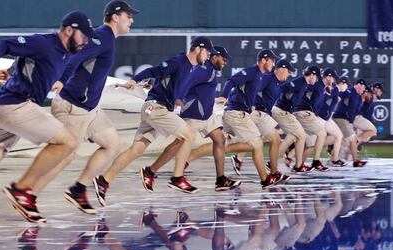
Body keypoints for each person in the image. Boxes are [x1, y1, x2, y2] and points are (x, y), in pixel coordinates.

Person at [31, 1, 139, 215]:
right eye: (129, 15)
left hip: (89, 108)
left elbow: (90, 70)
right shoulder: (102, 36)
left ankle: (79, 189)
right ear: (115, 17)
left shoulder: (106, 39)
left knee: (111, 143)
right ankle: (28, 193)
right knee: (64, 153)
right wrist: (61, 79)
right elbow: (74, 56)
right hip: (73, 105)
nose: (132, 20)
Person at [0, 11, 99, 223]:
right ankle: (22, 190)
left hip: (10, 105)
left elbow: (48, 65)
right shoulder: (43, 43)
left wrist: (12, 71)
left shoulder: (67, 52)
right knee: (68, 142)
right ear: (69, 30)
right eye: (84, 35)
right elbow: (7, 45)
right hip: (16, 105)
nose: (86, 41)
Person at [94, 36, 215, 196]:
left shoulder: (189, 67)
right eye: (207, 52)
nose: (208, 57)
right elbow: (154, 70)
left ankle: (104, 181)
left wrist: (174, 97)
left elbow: (165, 81)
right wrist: (135, 80)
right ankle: (177, 178)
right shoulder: (180, 61)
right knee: (188, 136)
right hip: (156, 108)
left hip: (156, 109)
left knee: (136, 150)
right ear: (198, 49)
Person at [138, 46, 241, 192]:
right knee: (179, 143)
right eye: (224, 59)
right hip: (195, 113)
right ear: (215, 56)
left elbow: (199, 88)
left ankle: (221, 180)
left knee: (220, 139)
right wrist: (179, 98)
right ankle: (151, 171)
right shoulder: (204, 69)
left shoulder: (209, 69)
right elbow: (186, 81)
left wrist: (213, 99)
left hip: (207, 113)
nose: (225, 62)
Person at [219, 49, 282, 189]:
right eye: (272, 60)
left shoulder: (259, 75)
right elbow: (231, 81)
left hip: (240, 112)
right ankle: (265, 179)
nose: (274, 64)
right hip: (236, 113)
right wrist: (224, 96)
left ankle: (265, 178)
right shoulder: (252, 71)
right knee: (257, 143)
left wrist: (252, 105)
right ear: (264, 60)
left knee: (222, 143)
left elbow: (247, 92)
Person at [332, 78, 367, 167]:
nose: (362, 88)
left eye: (363, 87)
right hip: (341, 118)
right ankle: (356, 161)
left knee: (341, 141)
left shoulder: (358, 97)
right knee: (352, 139)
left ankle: (333, 159)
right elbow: (339, 95)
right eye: (361, 86)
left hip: (346, 120)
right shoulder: (350, 92)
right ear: (357, 85)